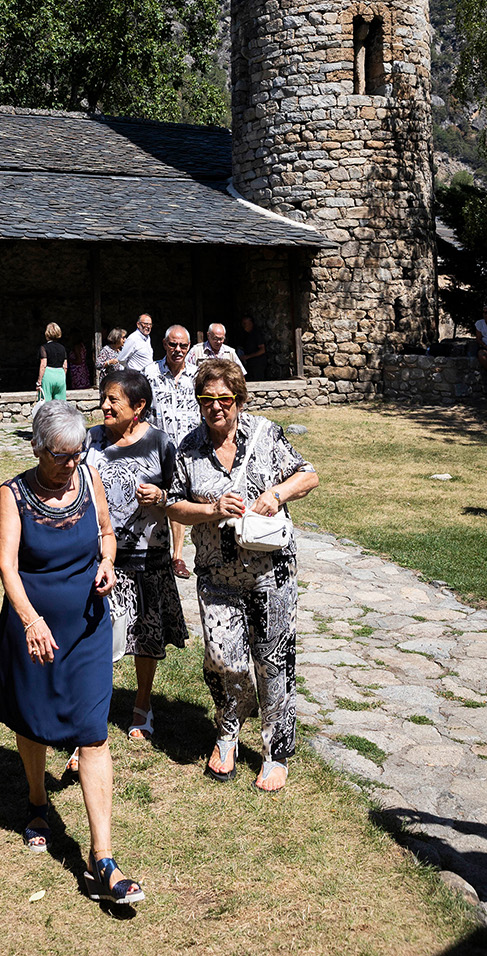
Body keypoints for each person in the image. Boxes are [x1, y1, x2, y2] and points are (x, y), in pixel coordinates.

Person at [0, 401, 144, 906]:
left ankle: (103, 858)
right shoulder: (12, 494)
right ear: (37, 448)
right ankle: (37, 802)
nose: (72, 465)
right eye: (62, 456)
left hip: (88, 627)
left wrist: (107, 561)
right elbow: (7, 568)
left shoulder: (89, 478)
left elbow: (106, 532)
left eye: (79, 454)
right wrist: (31, 620)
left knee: (93, 733)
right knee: (33, 722)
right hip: (33, 629)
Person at [167, 360, 318, 792]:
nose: (215, 408)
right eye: (206, 400)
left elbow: (309, 475)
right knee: (222, 659)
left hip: (271, 572)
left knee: (274, 663)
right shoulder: (189, 447)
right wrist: (212, 510)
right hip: (216, 574)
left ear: (238, 398)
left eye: (224, 400)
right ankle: (230, 725)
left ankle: (275, 752)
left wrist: (276, 494)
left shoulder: (266, 433)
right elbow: (175, 506)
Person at [85, 368, 187, 742]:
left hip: (149, 557)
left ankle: (143, 704)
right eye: (104, 398)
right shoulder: (90, 441)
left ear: (139, 406)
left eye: (114, 400)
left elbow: (183, 498)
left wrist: (161, 498)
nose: (105, 406)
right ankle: (93, 708)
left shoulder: (162, 443)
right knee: (96, 638)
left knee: (146, 636)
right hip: (100, 558)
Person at [146, 325, 200, 581]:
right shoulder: (150, 373)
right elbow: (141, 408)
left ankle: (177, 556)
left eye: (183, 346)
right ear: (164, 344)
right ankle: (158, 551)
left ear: (189, 348)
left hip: (187, 450)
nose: (178, 350)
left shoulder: (197, 375)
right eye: (173, 344)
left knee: (176, 500)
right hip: (156, 448)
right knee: (157, 502)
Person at [37, 322, 68, 401]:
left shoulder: (44, 347)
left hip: (48, 374)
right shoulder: (62, 348)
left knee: (46, 403)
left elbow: (43, 364)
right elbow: (65, 366)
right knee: (60, 404)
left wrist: (39, 381)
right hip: (60, 375)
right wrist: (62, 376)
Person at [239, 315, 268, 380]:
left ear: (250, 323)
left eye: (245, 323)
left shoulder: (256, 334)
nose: (243, 326)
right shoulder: (246, 335)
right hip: (250, 364)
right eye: (243, 323)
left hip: (258, 364)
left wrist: (248, 356)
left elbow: (262, 350)